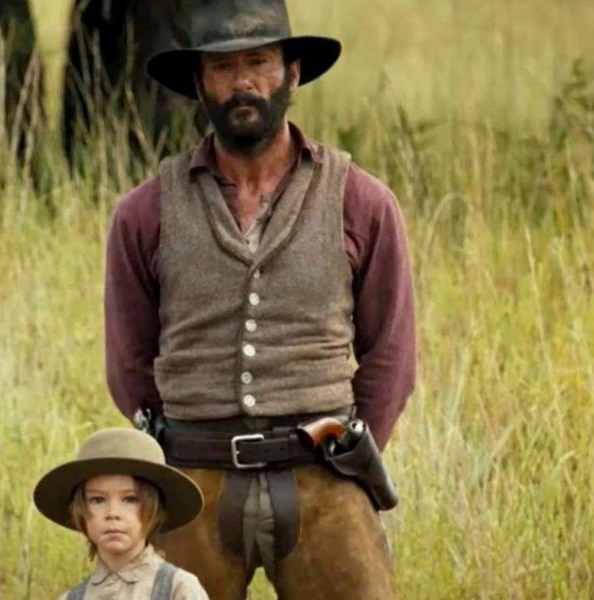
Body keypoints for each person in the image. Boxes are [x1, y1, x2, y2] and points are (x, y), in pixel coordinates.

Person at [104, 0, 417, 597]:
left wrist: (346, 458)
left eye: (259, 62)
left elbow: (392, 356)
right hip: (193, 481)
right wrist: (182, 443)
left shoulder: (362, 201)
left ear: (292, 73)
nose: (243, 82)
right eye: (222, 67)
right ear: (199, 82)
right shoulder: (144, 212)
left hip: (324, 481)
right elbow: (128, 363)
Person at [34, 428, 210, 600]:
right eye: (98, 500)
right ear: (79, 511)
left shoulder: (179, 589)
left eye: (130, 499)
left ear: (154, 509)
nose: (112, 513)